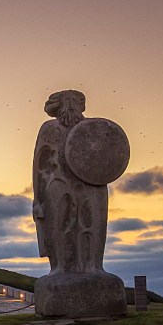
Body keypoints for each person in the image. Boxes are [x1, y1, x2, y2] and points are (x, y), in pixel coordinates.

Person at [32, 90, 107, 274]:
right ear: (58, 106)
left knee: (91, 223)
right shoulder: (50, 129)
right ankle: (61, 268)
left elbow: (106, 156)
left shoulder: (91, 128)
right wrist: (39, 199)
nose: (71, 105)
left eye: (75, 100)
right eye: (67, 100)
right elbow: (40, 165)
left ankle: (92, 266)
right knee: (60, 224)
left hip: (90, 183)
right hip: (59, 181)